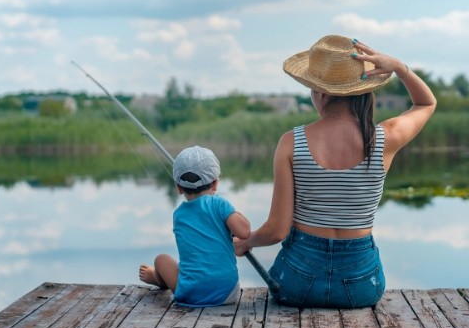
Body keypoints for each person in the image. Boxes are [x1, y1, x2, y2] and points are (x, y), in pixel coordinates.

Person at [234, 34, 436, 308]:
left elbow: (276, 231)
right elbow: (426, 103)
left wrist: (247, 242)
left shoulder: (292, 142)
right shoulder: (385, 138)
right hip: (363, 285)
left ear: (321, 93)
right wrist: (400, 67)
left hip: (296, 283)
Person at [139, 146, 251, 307]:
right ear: (215, 183)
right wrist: (231, 211)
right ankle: (157, 277)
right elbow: (244, 231)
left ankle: (157, 278)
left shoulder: (179, 214)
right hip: (227, 293)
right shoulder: (220, 204)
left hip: (190, 294)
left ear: (178, 187)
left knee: (161, 259)